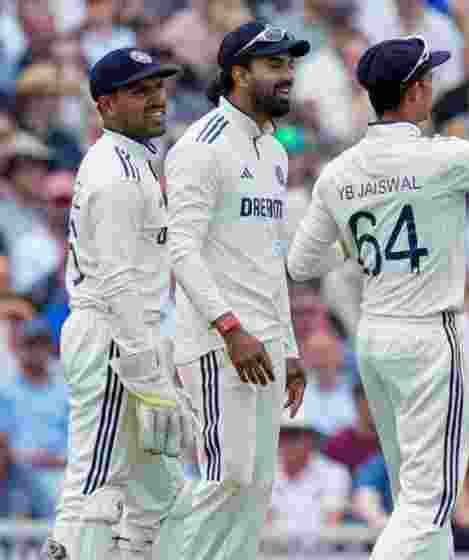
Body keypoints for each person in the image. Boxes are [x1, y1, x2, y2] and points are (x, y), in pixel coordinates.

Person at [284, 6, 469, 559]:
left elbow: (303, 265)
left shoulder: (340, 170)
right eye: (430, 78)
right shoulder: (441, 156)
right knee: (430, 501)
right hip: (428, 337)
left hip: (375, 335)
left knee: (414, 501)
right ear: (417, 92)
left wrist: (362, 231)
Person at [164, 22, 310, 560]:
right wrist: (230, 328)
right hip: (218, 342)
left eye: (289, 64)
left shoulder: (273, 151)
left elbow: (271, 261)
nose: (287, 75)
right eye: (274, 65)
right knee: (226, 478)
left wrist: (289, 347)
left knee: (256, 490)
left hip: (266, 342)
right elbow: (181, 251)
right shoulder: (199, 147)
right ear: (238, 73)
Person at [43, 47, 186, 560]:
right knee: (95, 484)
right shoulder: (117, 173)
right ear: (104, 104)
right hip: (112, 338)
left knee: (165, 495)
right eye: (138, 91)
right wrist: (149, 379)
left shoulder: (132, 161)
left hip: (126, 336)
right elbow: (120, 283)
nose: (156, 99)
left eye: (157, 87)